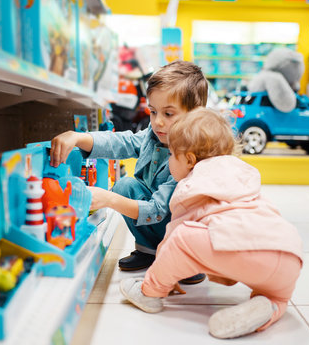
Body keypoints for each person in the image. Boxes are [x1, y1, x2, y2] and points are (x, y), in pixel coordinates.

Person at [119, 108, 304, 339]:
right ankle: (272, 306)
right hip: (290, 255)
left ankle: (150, 294)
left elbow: (176, 237)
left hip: (248, 253)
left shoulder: (191, 183)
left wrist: (164, 275)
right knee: (276, 295)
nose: (169, 161)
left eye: (171, 155)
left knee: (181, 237)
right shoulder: (240, 171)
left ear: (189, 159)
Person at [50, 61, 208, 283]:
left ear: (194, 115)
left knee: (123, 194)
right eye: (153, 112)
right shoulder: (153, 137)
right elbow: (122, 141)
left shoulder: (190, 157)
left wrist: (109, 200)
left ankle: (186, 260)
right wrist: (78, 137)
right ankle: (148, 250)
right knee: (125, 185)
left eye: (169, 114)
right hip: (160, 219)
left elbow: (158, 209)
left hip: (183, 227)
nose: (158, 121)